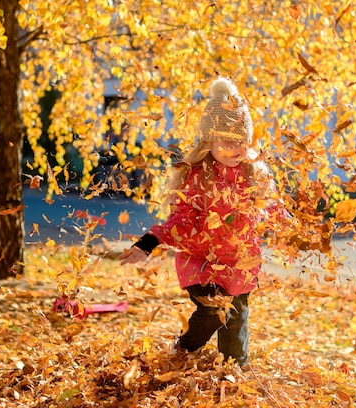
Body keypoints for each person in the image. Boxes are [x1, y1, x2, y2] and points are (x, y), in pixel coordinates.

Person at [118, 77, 284, 367]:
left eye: (240, 141)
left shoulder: (255, 175)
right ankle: (183, 348)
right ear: (209, 140)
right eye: (225, 140)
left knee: (235, 321)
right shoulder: (198, 177)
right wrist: (147, 244)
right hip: (201, 263)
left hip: (239, 264)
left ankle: (234, 372)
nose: (234, 148)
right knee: (211, 312)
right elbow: (180, 221)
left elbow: (273, 209)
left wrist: (293, 231)